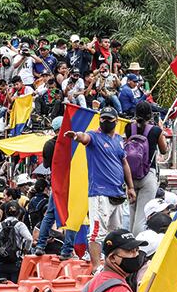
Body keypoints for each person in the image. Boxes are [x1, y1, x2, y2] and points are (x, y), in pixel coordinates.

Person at [65, 106, 137, 269]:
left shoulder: (119, 140)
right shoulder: (94, 136)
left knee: (116, 233)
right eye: (102, 118)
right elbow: (84, 138)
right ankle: (97, 268)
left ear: (115, 121)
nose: (105, 121)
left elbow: (124, 163)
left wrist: (130, 187)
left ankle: (113, 266)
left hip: (117, 193)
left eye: (108, 119)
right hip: (100, 193)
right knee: (97, 233)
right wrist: (76, 136)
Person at [33, 118, 75, 258]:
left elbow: (45, 165)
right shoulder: (73, 143)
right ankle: (67, 250)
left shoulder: (49, 145)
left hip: (56, 183)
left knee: (50, 215)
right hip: (71, 181)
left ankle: (40, 245)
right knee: (72, 216)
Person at [127, 102, 169, 235]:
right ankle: (137, 247)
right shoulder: (156, 130)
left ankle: (129, 245)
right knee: (142, 216)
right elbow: (163, 150)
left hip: (130, 176)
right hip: (148, 175)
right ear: (150, 114)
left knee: (132, 214)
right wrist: (161, 130)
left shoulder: (129, 128)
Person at [0, 200, 33, 282]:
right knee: (15, 288)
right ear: (19, 213)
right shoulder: (20, 225)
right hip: (15, 262)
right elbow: (29, 238)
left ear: (5, 212)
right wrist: (26, 250)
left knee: (1, 288)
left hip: (1, 262)